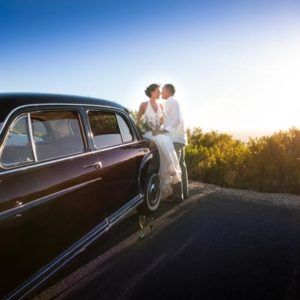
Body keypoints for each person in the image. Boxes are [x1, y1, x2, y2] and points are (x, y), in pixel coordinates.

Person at [137, 83, 182, 199]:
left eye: (160, 91)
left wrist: (158, 129)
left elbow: (163, 122)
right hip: (148, 133)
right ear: (151, 92)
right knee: (163, 139)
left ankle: (171, 173)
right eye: (158, 91)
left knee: (165, 139)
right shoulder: (143, 105)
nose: (160, 93)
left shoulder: (162, 106)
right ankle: (169, 175)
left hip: (156, 133)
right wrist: (141, 131)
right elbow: (138, 121)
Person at [161, 84, 189, 201]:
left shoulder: (170, 102)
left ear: (167, 91)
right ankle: (184, 193)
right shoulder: (174, 102)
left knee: (174, 167)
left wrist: (164, 130)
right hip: (181, 138)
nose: (161, 93)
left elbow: (176, 120)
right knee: (181, 165)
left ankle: (178, 195)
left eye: (162, 91)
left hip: (175, 139)